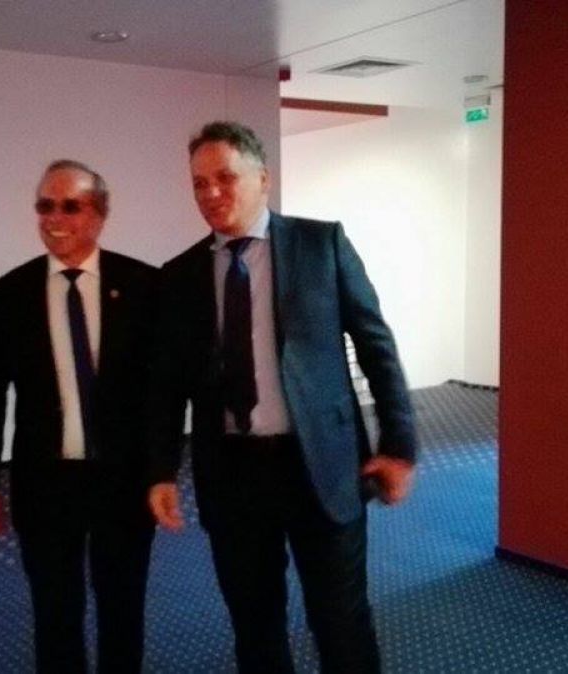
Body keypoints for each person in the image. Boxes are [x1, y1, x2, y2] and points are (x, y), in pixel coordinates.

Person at [146, 121, 418, 673]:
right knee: (255, 627)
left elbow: (376, 347)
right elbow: (168, 385)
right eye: (199, 182)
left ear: (263, 178)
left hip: (321, 466)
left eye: (225, 177)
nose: (210, 193)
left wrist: (399, 445)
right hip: (232, 475)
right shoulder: (179, 276)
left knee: (341, 622)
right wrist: (161, 471)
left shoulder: (322, 245)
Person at [0, 160, 157, 673]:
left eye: (71, 206)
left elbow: (160, 393)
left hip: (123, 481)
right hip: (45, 483)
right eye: (45, 205)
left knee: (123, 609)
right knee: (55, 614)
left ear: (100, 214)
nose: (54, 218)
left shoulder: (143, 285)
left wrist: (161, 472)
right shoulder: (10, 294)